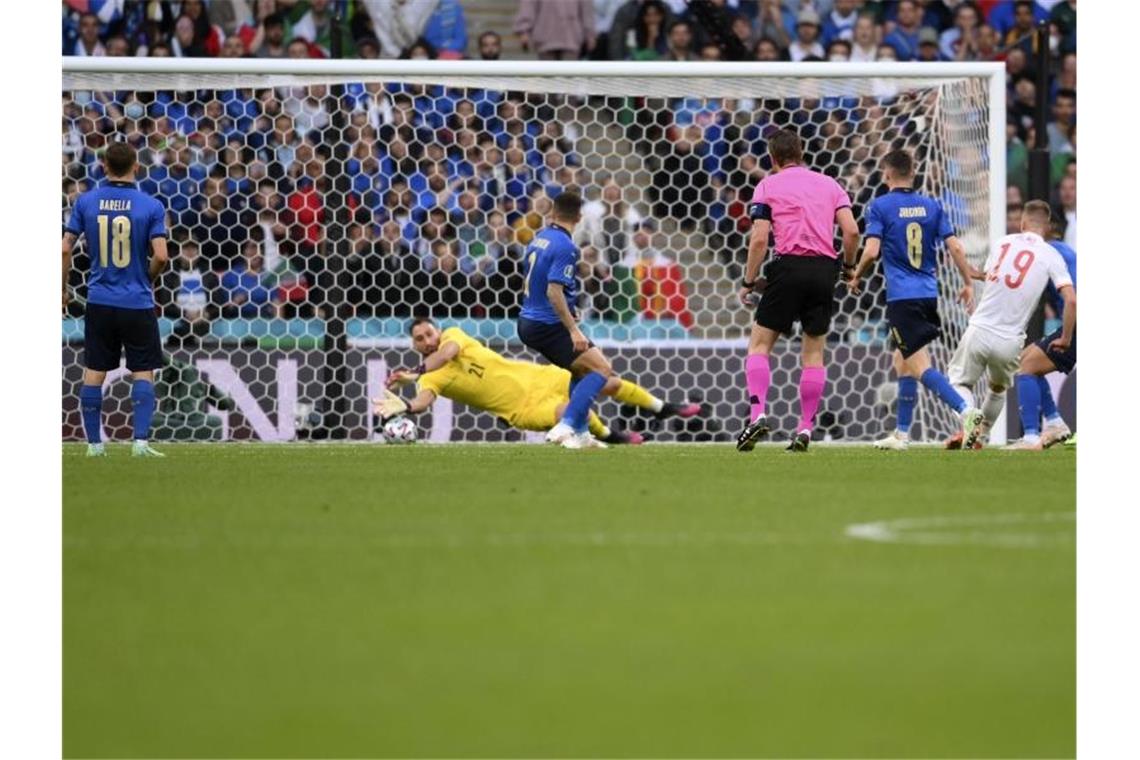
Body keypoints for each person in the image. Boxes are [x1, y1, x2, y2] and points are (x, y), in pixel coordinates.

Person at [515, 191, 701, 448]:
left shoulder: (539, 239)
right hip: (547, 324)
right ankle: (567, 424)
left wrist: (570, 310)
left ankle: (579, 434)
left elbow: (538, 284)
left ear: (553, 213)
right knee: (602, 369)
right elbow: (552, 290)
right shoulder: (565, 246)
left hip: (528, 319)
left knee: (581, 368)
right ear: (579, 217)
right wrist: (574, 329)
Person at [845, 150, 985, 451]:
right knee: (902, 361)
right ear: (914, 173)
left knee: (920, 366)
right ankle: (902, 434)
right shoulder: (932, 205)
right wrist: (967, 283)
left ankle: (966, 412)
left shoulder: (880, 205)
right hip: (928, 293)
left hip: (902, 297)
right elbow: (956, 248)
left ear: (886, 174)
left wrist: (855, 275)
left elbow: (870, 251)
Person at [736, 129, 860, 453]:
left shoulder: (767, 185)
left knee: (760, 346)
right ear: (802, 153)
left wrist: (748, 281)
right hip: (824, 270)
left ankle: (757, 414)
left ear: (772, 158)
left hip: (787, 266)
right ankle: (805, 429)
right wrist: (848, 269)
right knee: (814, 353)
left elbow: (760, 239)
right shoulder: (830, 184)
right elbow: (851, 231)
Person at [376, 318, 644, 445]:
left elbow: (448, 354)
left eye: (429, 334)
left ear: (438, 331)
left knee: (606, 381)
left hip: (538, 376)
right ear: (413, 344)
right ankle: (610, 435)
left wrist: (415, 371)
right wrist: (408, 407)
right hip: (521, 410)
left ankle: (655, 406)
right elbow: (424, 401)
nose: (427, 341)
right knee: (567, 412)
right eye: (419, 339)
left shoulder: (452, 337)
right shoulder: (431, 379)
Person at [62, 142, 170, 457]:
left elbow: (65, 248)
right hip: (137, 302)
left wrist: (62, 290)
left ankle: (94, 446)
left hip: (99, 300)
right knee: (143, 370)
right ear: (136, 166)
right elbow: (161, 256)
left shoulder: (86, 201)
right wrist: (145, 279)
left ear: (104, 167)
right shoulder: (151, 205)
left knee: (95, 371)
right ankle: (140, 443)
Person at [949, 200, 1075, 449]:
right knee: (997, 388)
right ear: (1047, 227)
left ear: (1022, 223)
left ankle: (969, 415)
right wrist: (1066, 336)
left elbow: (995, 276)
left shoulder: (1003, 243)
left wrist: (970, 273)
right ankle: (980, 437)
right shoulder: (1052, 254)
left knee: (959, 383)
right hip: (1010, 341)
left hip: (980, 328)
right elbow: (1070, 298)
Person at [1010, 227, 1077, 450]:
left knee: (1026, 366)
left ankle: (1030, 437)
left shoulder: (1049, 253)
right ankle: (1056, 423)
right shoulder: (1065, 251)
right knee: (1026, 358)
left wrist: (1066, 337)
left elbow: (1073, 301)